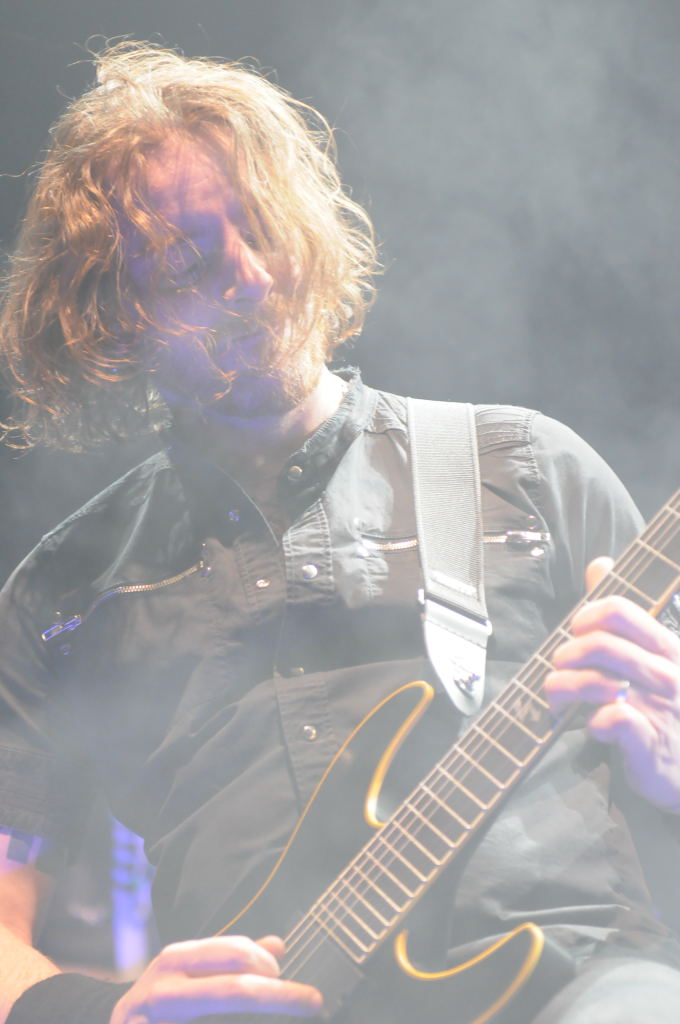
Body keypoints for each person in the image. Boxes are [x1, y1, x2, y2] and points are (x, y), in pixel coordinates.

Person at [0, 40, 680, 1024]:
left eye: (264, 228)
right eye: (188, 262)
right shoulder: (63, 591)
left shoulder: (528, 466)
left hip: (572, 985)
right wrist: (102, 1012)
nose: (251, 277)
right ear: (111, 312)